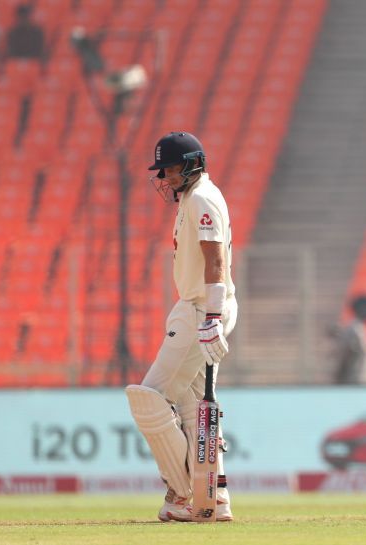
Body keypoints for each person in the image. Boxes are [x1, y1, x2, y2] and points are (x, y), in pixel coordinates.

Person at [125, 132, 238, 522]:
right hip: (195, 307)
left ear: (193, 163)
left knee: (148, 398)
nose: (167, 177)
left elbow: (215, 259)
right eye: (164, 170)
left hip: (200, 310)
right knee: (193, 407)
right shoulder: (194, 196)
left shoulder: (203, 198)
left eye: (172, 168)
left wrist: (211, 316)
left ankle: (185, 492)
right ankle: (215, 496)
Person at [332, 294, 366, 384]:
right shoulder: (354, 330)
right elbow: (344, 356)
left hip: (362, 381)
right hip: (354, 382)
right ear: (358, 309)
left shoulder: (362, 329)